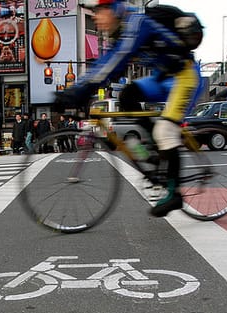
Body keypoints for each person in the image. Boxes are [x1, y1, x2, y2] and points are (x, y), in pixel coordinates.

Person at [53, 0, 204, 217]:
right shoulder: (123, 30)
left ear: (114, 9)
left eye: (98, 11)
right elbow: (104, 63)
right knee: (128, 96)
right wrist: (77, 88)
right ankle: (154, 150)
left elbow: (117, 61)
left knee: (166, 131)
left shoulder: (137, 23)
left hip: (185, 77)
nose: (95, 17)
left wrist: (80, 91)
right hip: (163, 78)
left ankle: (174, 194)